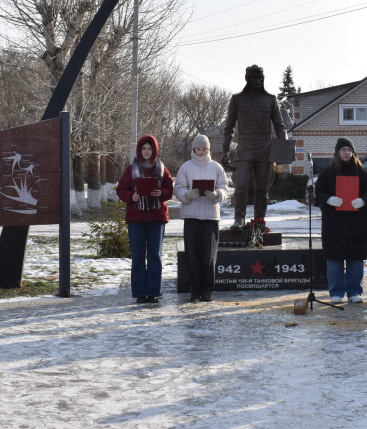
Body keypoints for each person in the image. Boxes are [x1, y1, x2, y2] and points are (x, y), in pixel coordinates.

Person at [221, 65, 288, 228]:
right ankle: (239, 219)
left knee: (262, 189)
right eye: (254, 77)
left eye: (260, 77)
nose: (258, 80)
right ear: (247, 79)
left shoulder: (271, 100)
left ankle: (259, 221)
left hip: (265, 148)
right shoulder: (237, 100)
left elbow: (280, 126)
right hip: (244, 148)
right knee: (241, 184)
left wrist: (283, 151)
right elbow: (229, 127)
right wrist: (225, 151)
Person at [315, 138, 367, 304]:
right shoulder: (327, 173)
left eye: (349, 149)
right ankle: (336, 292)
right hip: (333, 222)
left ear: (353, 152)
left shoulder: (361, 173)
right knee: (334, 258)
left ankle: (354, 291)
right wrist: (328, 199)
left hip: (356, 222)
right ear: (337, 152)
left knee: (355, 258)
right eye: (343, 149)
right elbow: (318, 192)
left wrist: (363, 200)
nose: (346, 152)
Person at [116, 136, 173, 304]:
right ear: (139, 151)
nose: (146, 151)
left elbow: (170, 188)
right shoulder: (130, 169)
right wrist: (131, 196)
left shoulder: (162, 169)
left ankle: (154, 292)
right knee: (138, 255)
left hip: (157, 217)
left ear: (154, 150)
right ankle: (140, 293)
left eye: (149, 148)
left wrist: (161, 193)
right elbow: (121, 189)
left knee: (155, 255)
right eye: (144, 149)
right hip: (136, 218)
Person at [173, 135, 229, 303]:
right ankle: (194, 289)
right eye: (198, 148)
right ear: (194, 149)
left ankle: (207, 290)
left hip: (211, 216)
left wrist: (217, 194)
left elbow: (225, 188)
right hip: (191, 216)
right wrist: (186, 195)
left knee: (208, 256)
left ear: (208, 150)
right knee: (192, 255)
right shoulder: (186, 167)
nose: (201, 151)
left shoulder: (216, 167)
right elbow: (179, 188)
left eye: (204, 149)